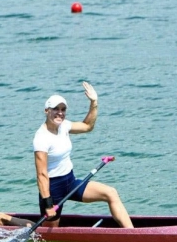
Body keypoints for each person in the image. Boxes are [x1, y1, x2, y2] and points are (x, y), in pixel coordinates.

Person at [34, 81, 133, 228]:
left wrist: (94, 102)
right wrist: (48, 203)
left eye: (63, 109)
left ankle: (131, 233)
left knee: (110, 193)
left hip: (70, 182)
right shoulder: (41, 138)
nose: (60, 113)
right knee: (48, 234)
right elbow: (41, 174)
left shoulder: (64, 125)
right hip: (52, 190)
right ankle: (6, 220)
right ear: (46, 111)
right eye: (55, 109)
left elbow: (87, 126)